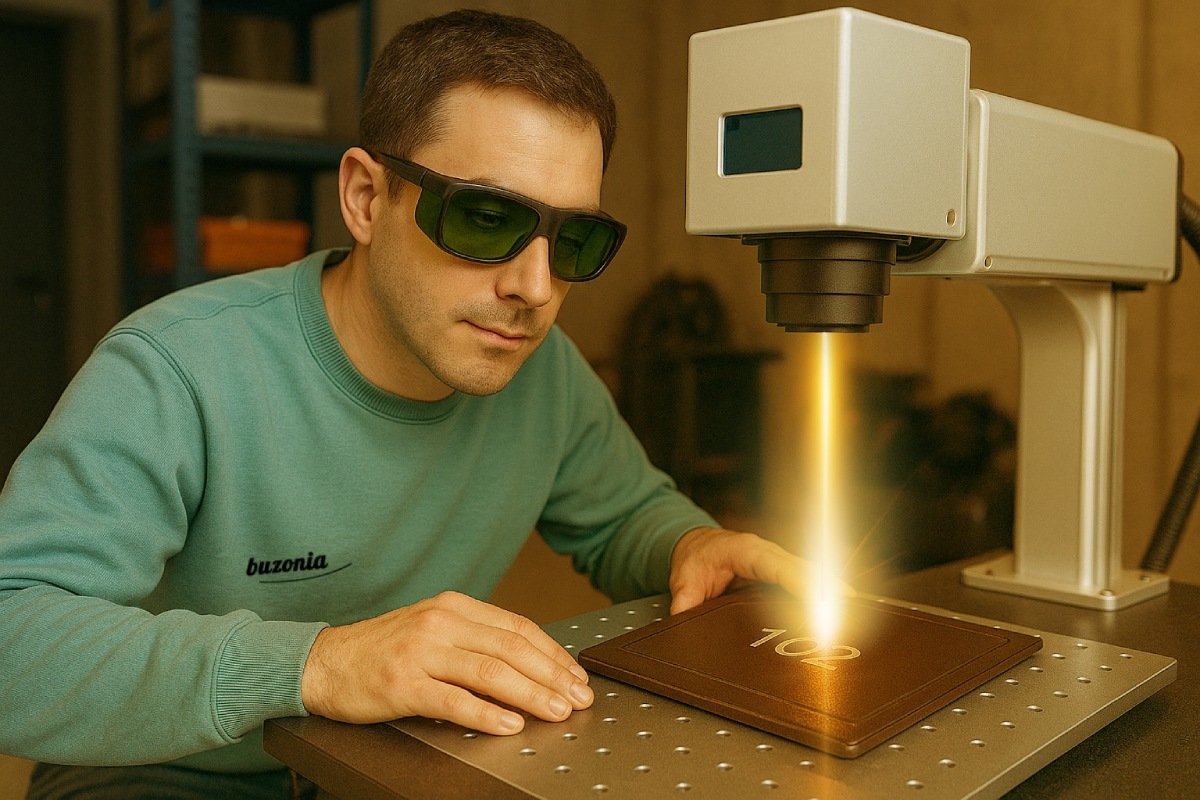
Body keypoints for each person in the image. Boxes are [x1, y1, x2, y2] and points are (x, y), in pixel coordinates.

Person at [0, 9, 815, 798]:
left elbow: (622, 513)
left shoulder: (544, 372)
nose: (534, 288)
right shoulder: (178, 370)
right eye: (487, 217)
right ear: (364, 197)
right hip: (170, 771)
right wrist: (319, 664)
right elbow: (13, 641)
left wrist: (687, 546)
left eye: (574, 242)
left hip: (388, 764)